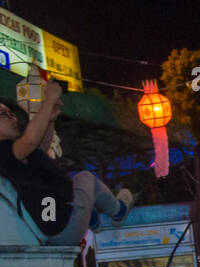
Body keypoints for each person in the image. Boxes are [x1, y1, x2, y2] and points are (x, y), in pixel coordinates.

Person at [0, 86, 132, 246]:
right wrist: (48, 101)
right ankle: (119, 211)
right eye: (4, 115)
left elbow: (39, 150)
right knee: (85, 178)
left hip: (57, 225)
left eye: (12, 114)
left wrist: (50, 120)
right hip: (63, 228)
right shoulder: (4, 151)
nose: (13, 119)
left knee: (76, 184)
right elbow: (31, 140)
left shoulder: (13, 153)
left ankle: (92, 219)